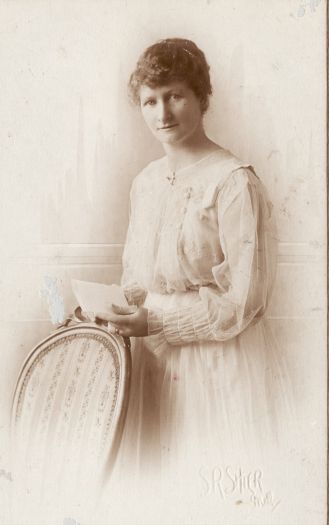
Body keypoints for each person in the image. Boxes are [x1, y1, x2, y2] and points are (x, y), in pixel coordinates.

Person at [95, 38, 295, 495]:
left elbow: (246, 302)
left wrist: (158, 320)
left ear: (201, 97)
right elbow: (138, 279)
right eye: (150, 100)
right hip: (153, 361)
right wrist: (115, 308)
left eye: (175, 95)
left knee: (213, 487)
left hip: (219, 362)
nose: (162, 112)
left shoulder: (233, 182)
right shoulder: (144, 183)